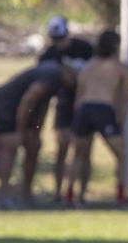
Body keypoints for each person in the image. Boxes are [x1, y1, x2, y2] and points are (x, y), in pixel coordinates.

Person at [0, 63, 72, 206]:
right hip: (1, 107)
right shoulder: (53, 76)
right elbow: (28, 101)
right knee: (10, 147)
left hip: (9, 109)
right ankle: (4, 195)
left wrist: (35, 131)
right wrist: (20, 132)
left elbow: (40, 107)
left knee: (33, 147)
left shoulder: (55, 80)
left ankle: (25, 194)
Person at [65, 30, 128, 205]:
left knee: (78, 154)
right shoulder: (120, 68)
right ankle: (121, 195)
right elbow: (123, 99)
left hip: (84, 109)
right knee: (122, 154)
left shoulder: (88, 65)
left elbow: (79, 96)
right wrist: (121, 121)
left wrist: (77, 118)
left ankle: (71, 194)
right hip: (103, 109)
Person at [38, 15, 94, 203]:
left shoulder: (85, 49)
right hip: (62, 104)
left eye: (61, 38)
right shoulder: (48, 55)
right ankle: (57, 192)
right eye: (55, 39)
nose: (58, 43)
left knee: (84, 151)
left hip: (84, 104)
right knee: (62, 149)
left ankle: (82, 193)